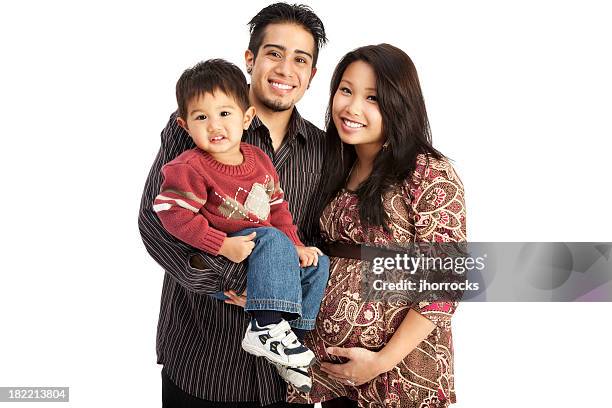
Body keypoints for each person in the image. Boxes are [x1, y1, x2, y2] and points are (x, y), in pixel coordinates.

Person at [138, 3, 327, 407]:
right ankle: (269, 328)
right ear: (250, 59)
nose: (285, 69)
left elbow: (304, 230)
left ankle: (287, 336)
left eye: (300, 59)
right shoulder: (198, 126)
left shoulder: (323, 150)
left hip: (283, 385)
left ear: (311, 76)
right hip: (203, 359)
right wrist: (246, 284)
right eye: (274, 53)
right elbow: (156, 225)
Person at [286, 44, 467, 407]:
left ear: (400, 105)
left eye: (373, 98)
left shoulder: (429, 173)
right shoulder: (334, 165)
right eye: (346, 90)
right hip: (331, 373)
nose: (352, 108)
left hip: (396, 376)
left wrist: (381, 361)